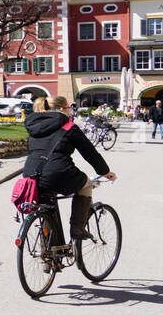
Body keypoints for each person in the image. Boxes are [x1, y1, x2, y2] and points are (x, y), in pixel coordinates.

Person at [23, 95, 115, 241]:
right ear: (61, 109)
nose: (71, 111)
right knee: (86, 185)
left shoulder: (34, 126)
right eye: (69, 107)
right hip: (59, 172)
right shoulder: (69, 126)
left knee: (46, 206)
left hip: (31, 173)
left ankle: (50, 250)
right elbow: (89, 152)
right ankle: (78, 229)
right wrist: (105, 172)